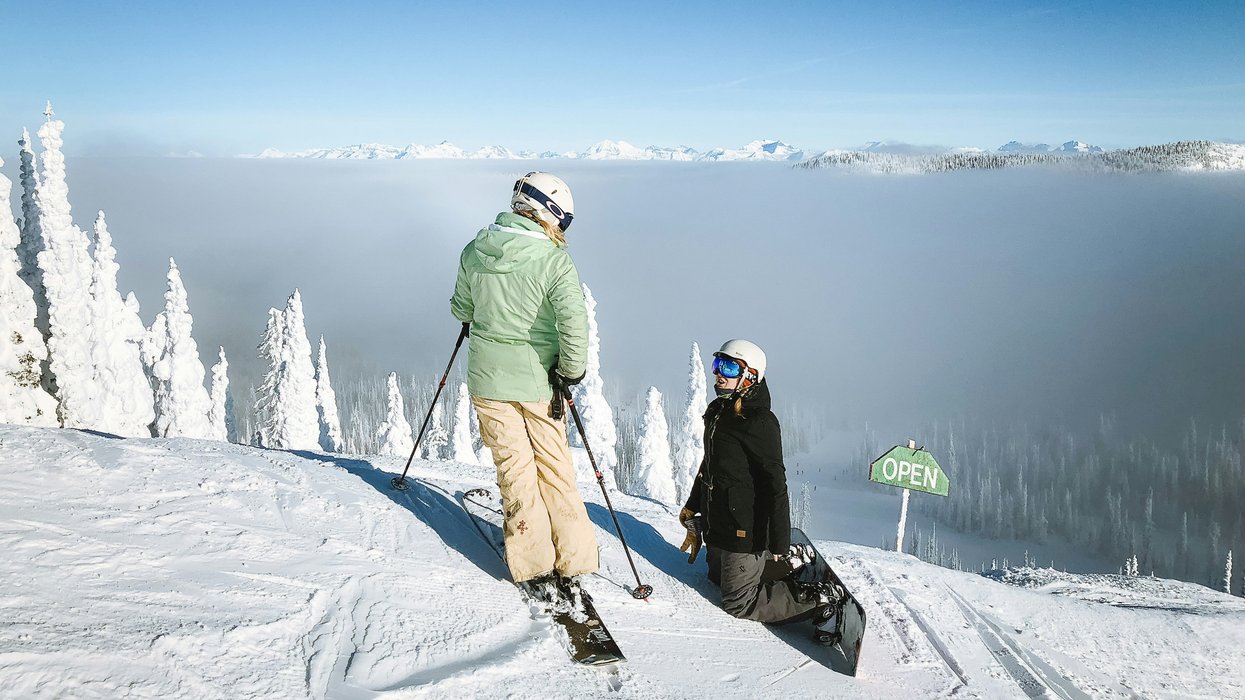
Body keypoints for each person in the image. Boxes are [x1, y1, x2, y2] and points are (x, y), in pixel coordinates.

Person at [450, 171, 597, 600]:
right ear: (546, 211)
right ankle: (573, 557)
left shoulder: (475, 249)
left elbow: (461, 307)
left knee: (514, 469)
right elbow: (574, 321)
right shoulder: (553, 260)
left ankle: (532, 563)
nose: (562, 229)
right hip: (539, 383)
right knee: (554, 468)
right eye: (563, 220)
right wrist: (570, 372)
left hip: (488, 382)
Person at [678, 339, 841, 643]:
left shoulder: (760, 422)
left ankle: (818, 599)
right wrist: (692, 506)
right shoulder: (719, 411)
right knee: (715, 577)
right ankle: (780, 566)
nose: (718, 374)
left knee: (738, 602)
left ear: (750, 375)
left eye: (728, 367)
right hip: (720, 523)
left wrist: (778, 544)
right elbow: (709, 465)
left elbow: (775, 485)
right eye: (716, 365)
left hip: (746, 530)